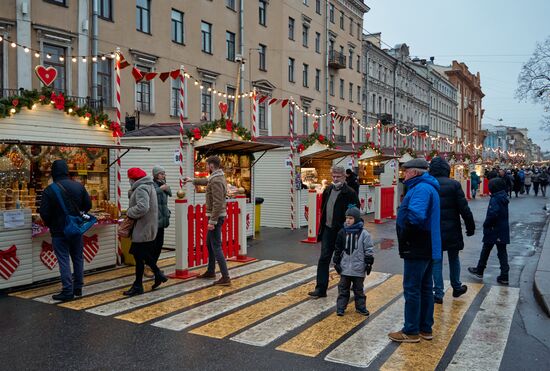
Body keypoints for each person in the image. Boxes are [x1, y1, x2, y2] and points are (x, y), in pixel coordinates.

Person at [389, 158, 441, 343]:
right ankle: (425, 328)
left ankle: (411, 330)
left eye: (406, 171)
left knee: (412, 288)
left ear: (415, 172)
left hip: (418, 245)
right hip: (427, 244)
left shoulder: (420, 189)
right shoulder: (427, 187)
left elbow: (416, 216)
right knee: (425, 288)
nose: (404, 174)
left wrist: (405, 234)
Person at [39, 160, 92, 301]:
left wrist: (51, 224)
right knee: (78, 257)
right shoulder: (78, 186)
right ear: (66, 171)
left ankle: (67, 290)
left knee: (63, 260)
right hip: (76, 229)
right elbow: (88, 205)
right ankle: (78, 287)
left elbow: (44, 212)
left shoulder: (49, 190)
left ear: (53, 172)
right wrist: (76, 217)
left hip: (58, 230)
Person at [308, 166, 360, 298]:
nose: (335, 179)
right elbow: (324, 208)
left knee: (345, 260)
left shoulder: (350, 193)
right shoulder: (328, 189)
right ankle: (321, 288)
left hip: (342, 232)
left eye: (338, 176)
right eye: (334, 176)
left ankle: (347, 288)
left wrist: (349, 230)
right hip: (328, 229)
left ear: (344, 177)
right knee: (324, 258)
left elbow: (354, 213)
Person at [429, 157, 475, 304]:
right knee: (454, 258)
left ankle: (438, 293)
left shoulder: (429, 184)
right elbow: (464, 209)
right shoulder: (454, 185)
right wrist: (470, 227)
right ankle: (456, 286)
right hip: (452, 229)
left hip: (434, 230)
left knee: (436, 260)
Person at [184, 156, 231, 286]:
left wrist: (212, 221)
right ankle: (211, 271)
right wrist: (192, 180)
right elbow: (206, 181)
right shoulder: (216, 177)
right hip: (216, 216)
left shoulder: (216, 180)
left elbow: (218, 202)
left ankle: (225, 277)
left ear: (211, 166)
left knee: (216, 246)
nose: (205, 167)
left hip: (216, 217)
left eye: (207, 165)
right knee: (209, 244)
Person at [123, 168, 167, 296]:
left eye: (129, 179)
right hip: (146, 226)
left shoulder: (141, 188)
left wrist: (129, 212)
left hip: (143, 227)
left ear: (133, 179)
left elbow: (143, 207)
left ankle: (139, 285)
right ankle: (157, 275)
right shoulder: (149, 186)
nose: (129, 181)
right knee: (142, 255)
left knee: (140, 256)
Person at [333, 207, 374, 316]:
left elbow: (368, 249)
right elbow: (338, 248)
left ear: (356, 219)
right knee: (343, 289)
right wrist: (336, 262)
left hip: (358, 268)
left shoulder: (364, 234)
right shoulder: (342, 232)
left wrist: (369, 262)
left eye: (351, 218)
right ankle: (340, 308)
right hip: (345, 267)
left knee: (359, 290)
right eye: (347, 218)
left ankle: (360, 307)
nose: (348, 220)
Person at [468, 177, 510, 285]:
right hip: (502, 228)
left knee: (486, 249)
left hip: (493, 229)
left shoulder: (495, 198)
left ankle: (480, 270)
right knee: (501, 251)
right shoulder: (503, 196)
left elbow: (493, 213)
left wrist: (486, 224)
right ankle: (504, 275)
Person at [144, 165, 172, 278]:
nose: (163, 175)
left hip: (163, 217)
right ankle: (148, 266)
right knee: (153, 244)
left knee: (159, 244)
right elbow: (150, 195)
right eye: (161, 173)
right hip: (155, 219)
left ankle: (153, 265)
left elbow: (170, 193)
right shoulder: (151, 184)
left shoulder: (162, 183)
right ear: (156, 175)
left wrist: (165, 187)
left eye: (164, 173)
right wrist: (161, 189)